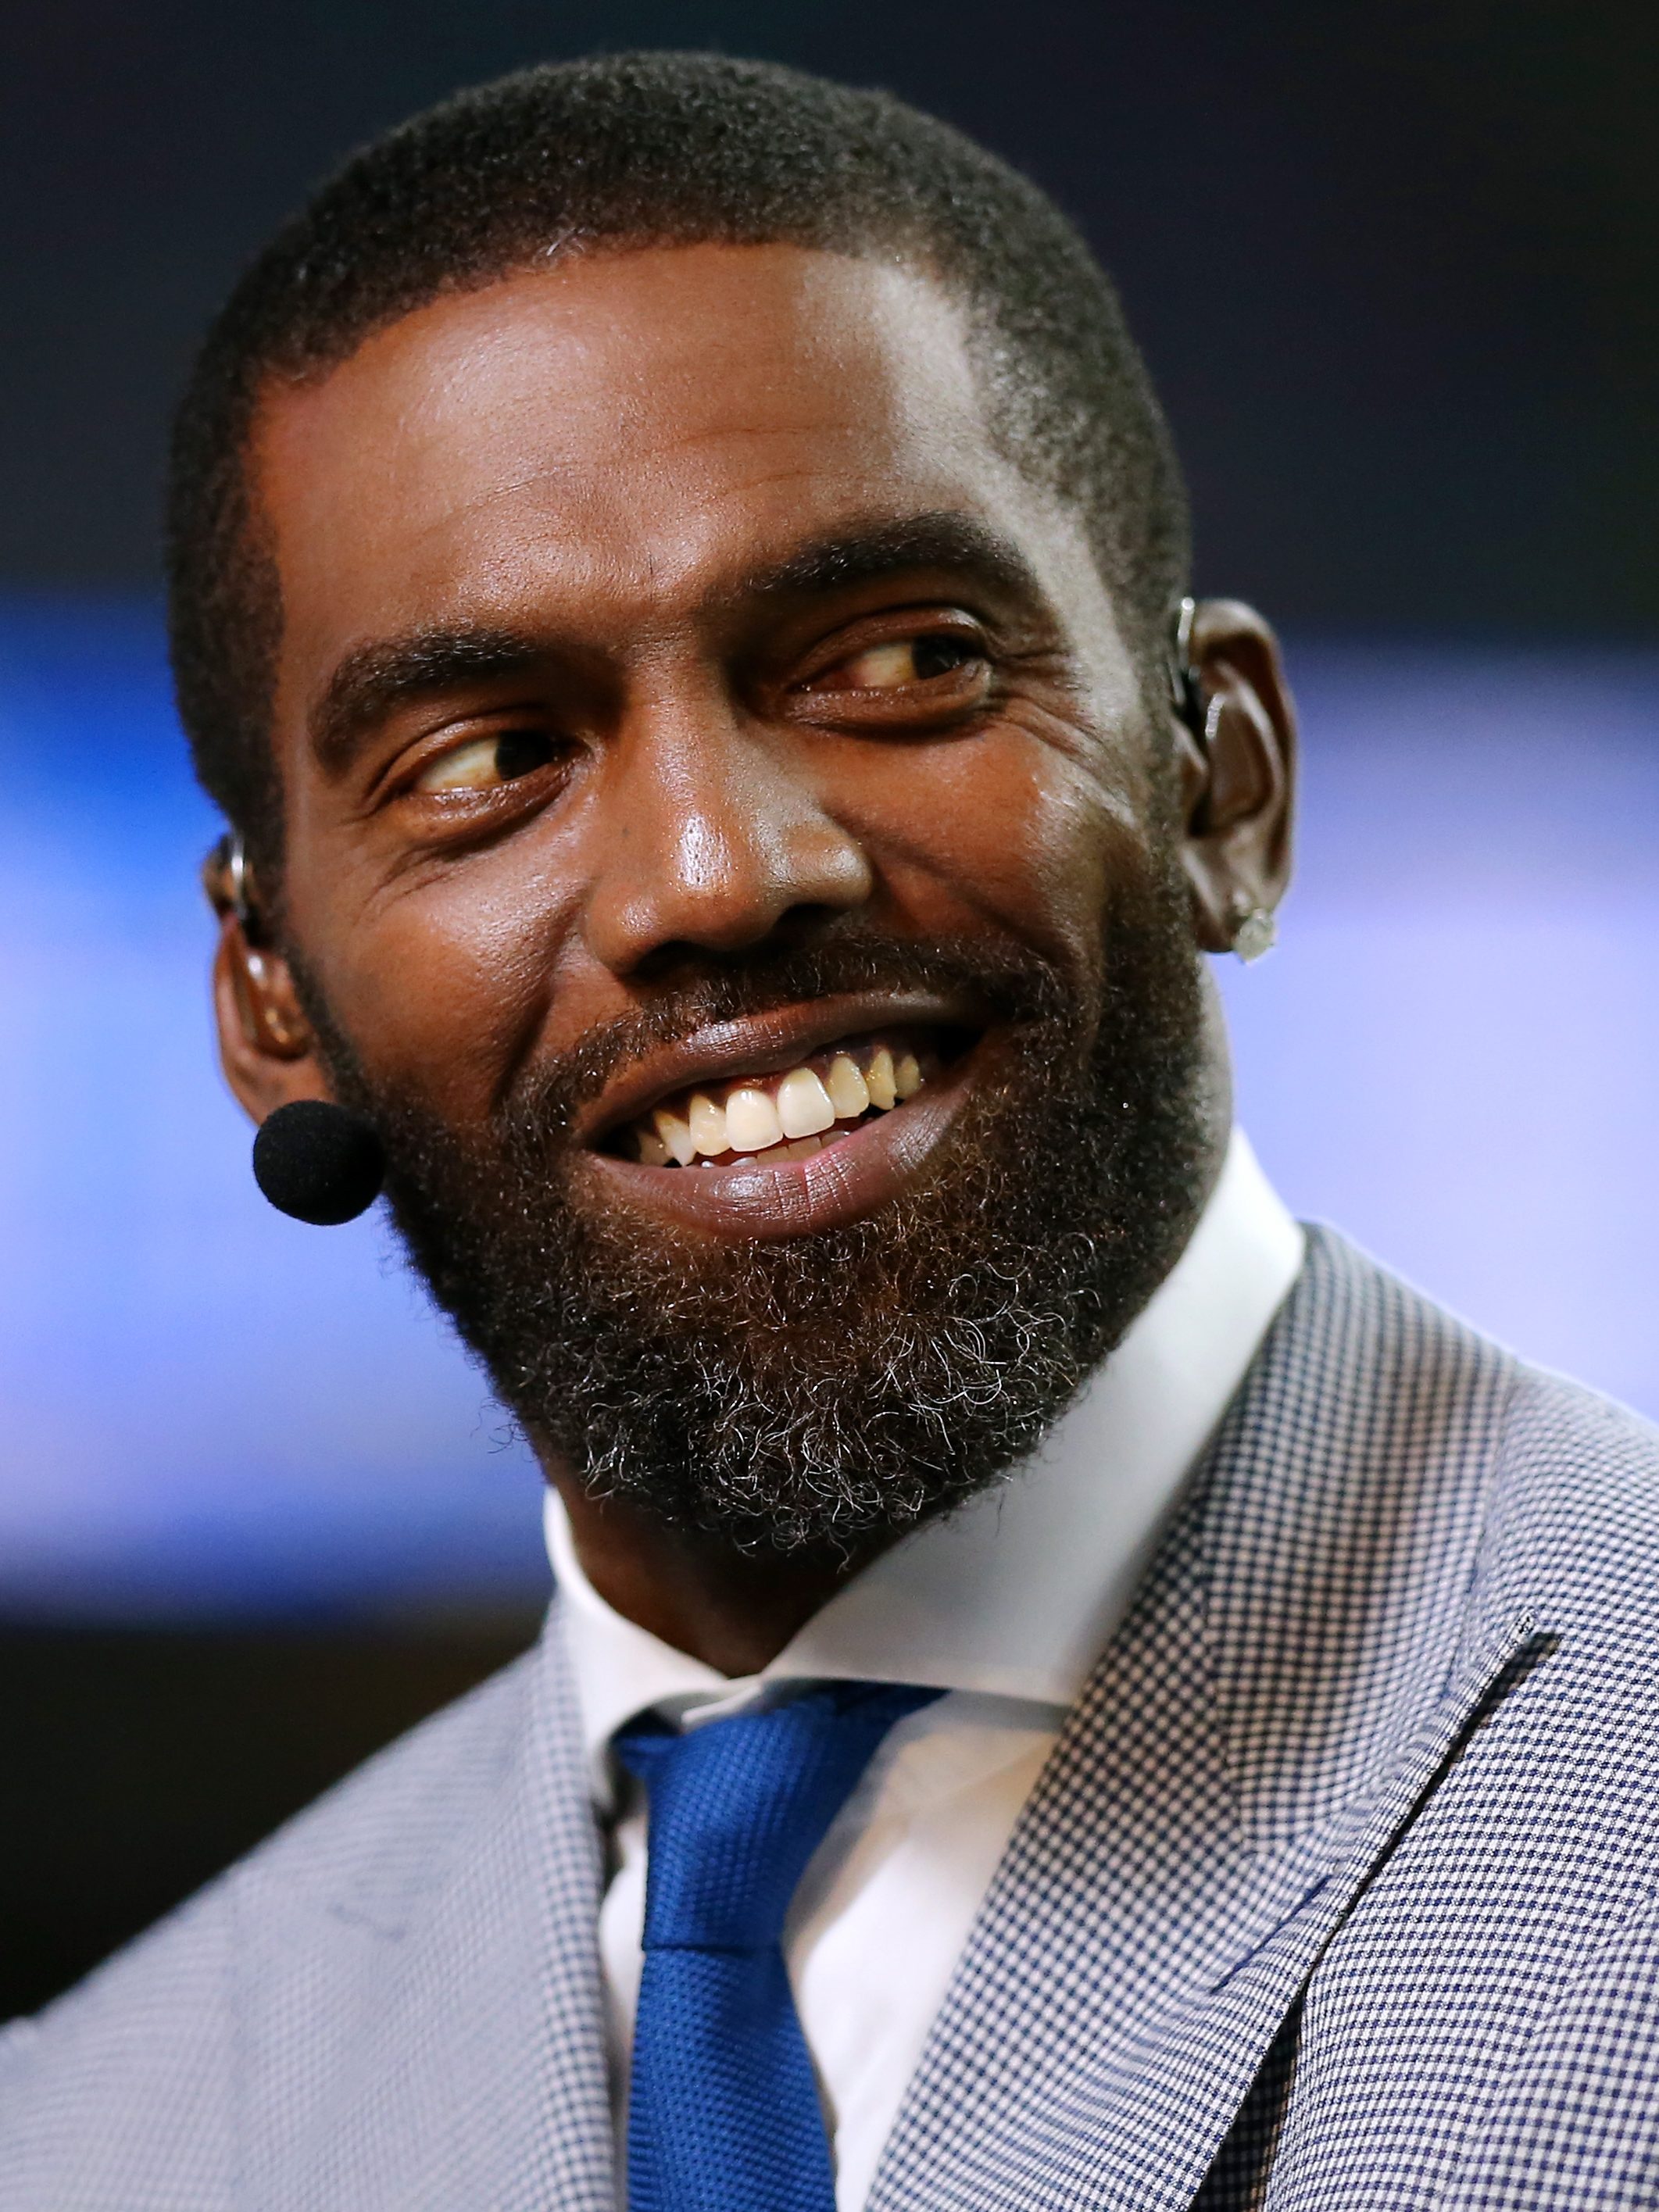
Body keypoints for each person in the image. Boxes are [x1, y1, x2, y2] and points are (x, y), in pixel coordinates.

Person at [4, 49, 1656, 2212]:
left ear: (1216, 787)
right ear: (270, 999)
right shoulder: (103, 2130)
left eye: (892, 657)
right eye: (490, 753)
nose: (710, 870)